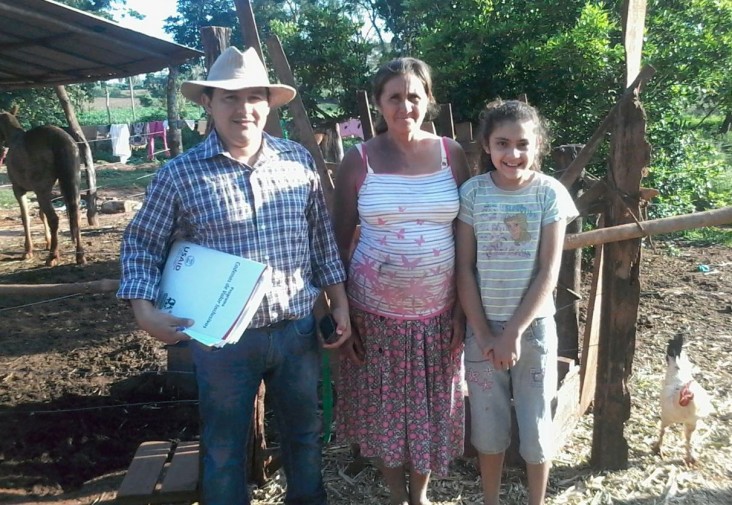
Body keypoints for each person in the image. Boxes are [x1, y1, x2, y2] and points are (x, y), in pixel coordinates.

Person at [116, 46, 351, 505]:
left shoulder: (298, 162)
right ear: (208, 103)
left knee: (305, 433)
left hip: (296, 330)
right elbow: (141, 244)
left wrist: (338, 300)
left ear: (268, 104)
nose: (243, 109)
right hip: (222, 340)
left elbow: (321, 238)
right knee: (223, 447)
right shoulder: (179, 175)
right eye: (229, 98)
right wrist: (145, 313)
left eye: (254, 97)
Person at [333, 57, 469, 505]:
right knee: (384, 412)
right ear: (379, 103)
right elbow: (337, 242)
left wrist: (462, 312)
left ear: (428, 100)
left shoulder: (453, 155)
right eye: (394, 97)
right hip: (375, 317)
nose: (405, 106)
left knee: (430, 410)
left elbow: (465, 237)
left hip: (437, 315)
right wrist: (340, 314)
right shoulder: (357, 161)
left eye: (414, 96)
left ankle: (421, 495)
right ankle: (395, 494)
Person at [455, 99, 579, 505]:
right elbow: (465, 269)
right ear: (487, 147)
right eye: (502, 143)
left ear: (538, 145)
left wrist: (512, 333)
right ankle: (490, 499)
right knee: (487, 428)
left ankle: (536, 501)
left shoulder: (549, 194)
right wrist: (486, 332)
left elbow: (548, 272)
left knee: (535, 425)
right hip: (482, 331)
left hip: (534, 331)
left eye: (522, 144)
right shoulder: (472, 194)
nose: (513, 154)